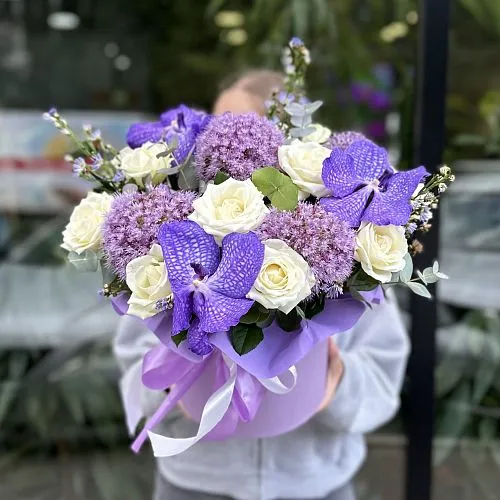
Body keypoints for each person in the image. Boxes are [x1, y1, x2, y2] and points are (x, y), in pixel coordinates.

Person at [114, 70, 410, 500]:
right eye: (214, 130)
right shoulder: (166, 251)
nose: (219, 146)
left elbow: (384, 375)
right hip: (196, 483)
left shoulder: (352, 252)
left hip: (316, 483)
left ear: (291, 147)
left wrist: (334, 380)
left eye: (244, 132)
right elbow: (132, 360)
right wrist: (173, 376)